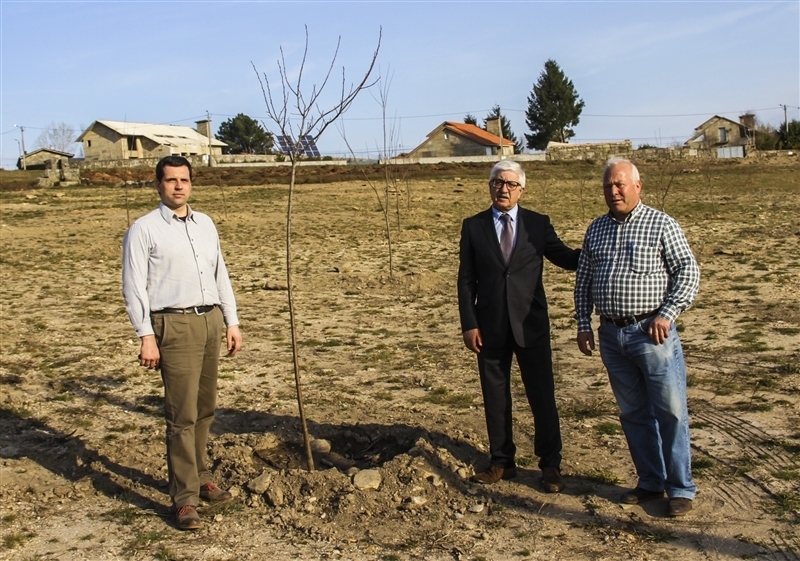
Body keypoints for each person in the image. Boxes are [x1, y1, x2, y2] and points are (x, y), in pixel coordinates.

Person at [122, 155, 243, 530]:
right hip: (173, 325)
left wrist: (231, 321)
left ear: (191, 183)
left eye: (184, 180)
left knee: (205, 409)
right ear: (158, 184)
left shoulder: (205, 224)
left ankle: (201, 477)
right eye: (171, 180)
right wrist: (146, 336)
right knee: (181, 415)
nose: (178, 186)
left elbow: (220, 273)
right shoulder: (144, 229)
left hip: (209, 320)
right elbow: (133, 286)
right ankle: (184, 499)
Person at [574, 156, 700, 517]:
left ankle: (680, 488)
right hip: (611, 335)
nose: (613, 191)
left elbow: (688, 272)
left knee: (670, 411)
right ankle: (650, 481)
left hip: (651, 334)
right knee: (633, 412)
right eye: (608, 186)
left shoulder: (661, 224)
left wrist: (667, 313)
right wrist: (583, 323)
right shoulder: (596, 229)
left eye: (620, 184)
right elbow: (584, 280)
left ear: (637, 186)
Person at [457, 160, 580, 492]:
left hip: (530, 325)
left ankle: (550, 465)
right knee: (495, 397)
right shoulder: (473, 226)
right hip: (489, 328)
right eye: (498, 182)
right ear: (490, 186)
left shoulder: (538, 224)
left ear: (522, 190)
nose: (504, 189)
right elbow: (466, 279)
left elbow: (565, 257)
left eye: (511, 184)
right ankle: (502, 462)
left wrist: (597, 251)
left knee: (542, 396)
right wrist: (469, 324)